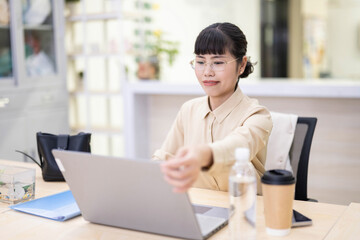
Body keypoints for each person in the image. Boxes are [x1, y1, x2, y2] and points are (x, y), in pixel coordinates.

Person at [153, 22, 273, 194]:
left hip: (245, 210)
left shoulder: (258, 115)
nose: (207, 72)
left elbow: (238, 147)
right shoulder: (189, 110)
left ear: (241, 65)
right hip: (197, 211)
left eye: (217, 62)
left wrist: (204, 155)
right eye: (200, 62)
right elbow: (164, 158)